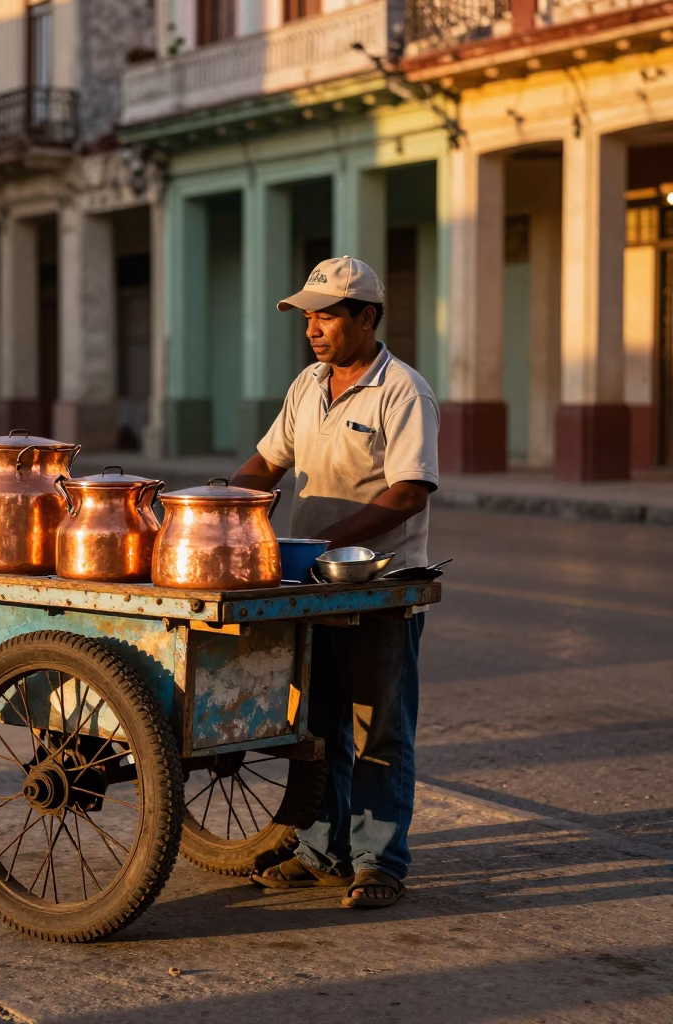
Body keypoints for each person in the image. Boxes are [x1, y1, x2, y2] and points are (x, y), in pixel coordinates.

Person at [229, 255, 439, 908]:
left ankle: (380, 864)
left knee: (378, 730)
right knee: (317, 727)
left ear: (366, 316)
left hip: (381, 589)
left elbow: (408, 493)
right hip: (313, 587)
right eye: (307, 317)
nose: (312, 328)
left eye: (325, 315)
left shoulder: (402, 390)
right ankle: (322, 854)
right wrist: (214, 509)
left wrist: (331, 539)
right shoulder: (307, 387)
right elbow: (266, 462)